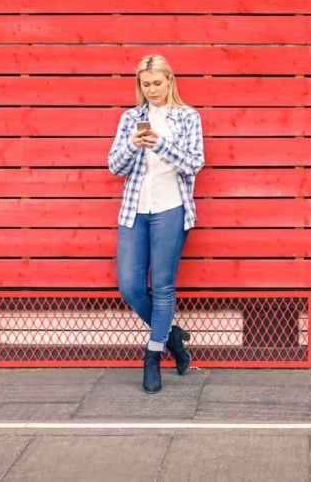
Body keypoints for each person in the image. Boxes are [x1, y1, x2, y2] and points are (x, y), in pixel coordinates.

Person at [107, 55, 204, 393]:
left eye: (157, 83)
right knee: (130, 286)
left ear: (170, 80)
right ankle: (173, 338)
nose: (152, 90)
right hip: (135, 209)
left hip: (171, 209)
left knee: (162, 286)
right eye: (146, 85)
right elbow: (114, 167)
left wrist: (161, 145)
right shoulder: (131, 118)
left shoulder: (187, 117)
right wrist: (133, 147)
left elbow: (194, 163)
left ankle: (152, 355)